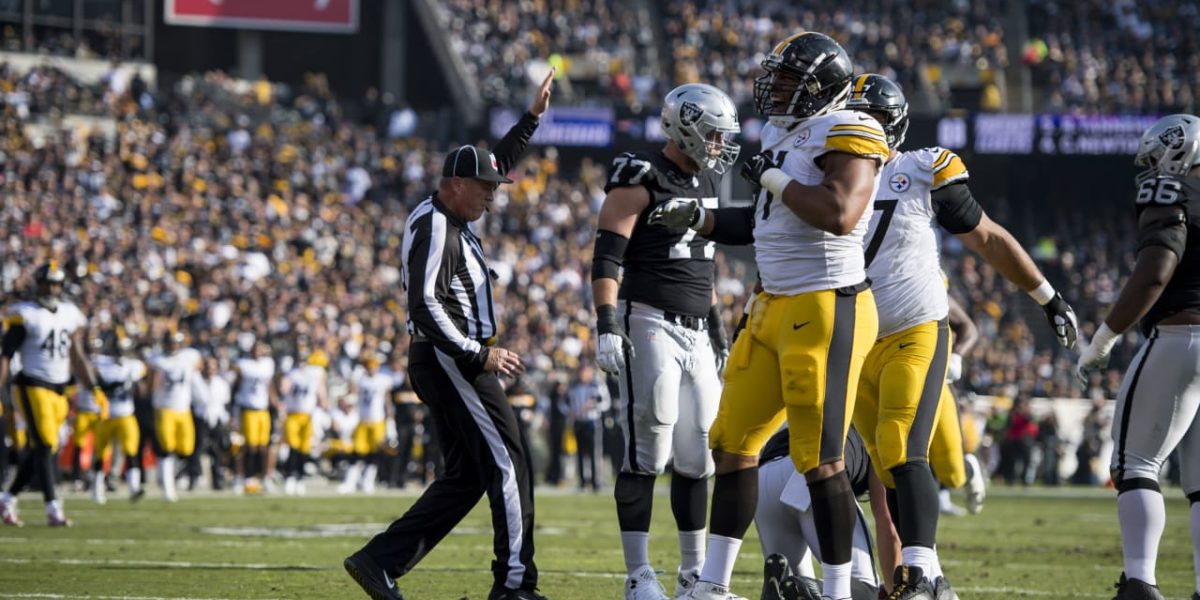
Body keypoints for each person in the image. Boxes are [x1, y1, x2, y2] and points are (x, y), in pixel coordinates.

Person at [653, 33, 886, 600]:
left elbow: (838, 211)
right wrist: (701, 221)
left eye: (788, 80)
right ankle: (712, 584)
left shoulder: (852, 128)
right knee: (732, 441)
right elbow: (765, 222)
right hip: (772, 304)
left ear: (822, 87)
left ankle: (835, 592)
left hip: (828, 302)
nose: (775, 88)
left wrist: (773, 178)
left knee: (820, 460)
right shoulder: (784, 132)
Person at [842, 73, 1077, 598]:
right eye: (856, 118)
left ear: (896, 126)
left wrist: (1047, 297)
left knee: (903, 448)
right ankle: (930, 576)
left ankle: (920, 571)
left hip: (914, 327)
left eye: (874, 119)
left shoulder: (920, 170)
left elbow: (988, 238)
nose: (865, 129)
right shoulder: (820, 174)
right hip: (857, 340)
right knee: (884, 461)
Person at [343, 69, 554, 600]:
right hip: (449, 357)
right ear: (454, 184)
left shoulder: (453, 212)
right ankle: (514, 586)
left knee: (466, 477)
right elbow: (424, 303)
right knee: (510, 462)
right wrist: (475, 353)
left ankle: (379, 561)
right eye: (484, 188)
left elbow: (497, 162)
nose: (492, 196)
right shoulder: (435, 224)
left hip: (448, 358)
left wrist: (529, 119)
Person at [591, 81, 740, 600]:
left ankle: (693, 575)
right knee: (648, 445)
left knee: (699, 452)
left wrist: (719, 330)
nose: (720, 145)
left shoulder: (705, 184)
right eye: (715, 135)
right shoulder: (640, 174)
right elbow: (607, 256)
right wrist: (607, 323)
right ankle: (638, 574)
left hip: (698, 329)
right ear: (687, 127)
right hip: (647, 319)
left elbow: (704, 270)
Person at [1076, 113, 1200, 600]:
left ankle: (1140, 583)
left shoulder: (1170, 192)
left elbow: (1156, 270)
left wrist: (1105, 335)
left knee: (1134, 463)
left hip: (1180, 336)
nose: (1150, 170)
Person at [0, 262, 108, 527]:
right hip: (31, 385)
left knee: (43, 448)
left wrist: (93, 387)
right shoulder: (24, 314)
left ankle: (7, 497)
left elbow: (77, 354)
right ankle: (53, 508)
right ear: (38, 284)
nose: (51, 288)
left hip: (60, 390)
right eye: (47, 283)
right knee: (46, 444)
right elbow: (6, 357)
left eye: (56, 283)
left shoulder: (69, 313)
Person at [756, 425, 893, 600]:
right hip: (815, 473)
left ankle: (794, 586)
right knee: (866, 590)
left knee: (787, 586)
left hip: (765, 476)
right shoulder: (876, 426)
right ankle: (807, 586)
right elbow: (886, 519)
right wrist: (894, 590)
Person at [88, 331, 148, 504]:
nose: (122, 353)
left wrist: (135, 383)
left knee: (131, 451)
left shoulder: (133, 365)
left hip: (126, 414)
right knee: (101, 453)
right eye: (119, 349)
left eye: (124, 350)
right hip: (105, 415)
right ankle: (96, 489)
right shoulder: (101, 364)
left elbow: (142, 389)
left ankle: (134, 488)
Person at [149, 330, 202, 502]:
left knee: (187, 448)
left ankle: (170, 475)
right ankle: (167, 486)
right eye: (171, 342)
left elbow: (200, 364)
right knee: (166, 448)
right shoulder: (158, 360)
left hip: (184, 409)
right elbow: (152, 384)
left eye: (176, 342)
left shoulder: (189, 357)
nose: (173, 346)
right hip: (164, 408)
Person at [340, 356, 394, 494]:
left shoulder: (383, 380)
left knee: (375, 453)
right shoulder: (360, 379)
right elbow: (351, 391)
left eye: (373, 365)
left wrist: (390, 421)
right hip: (363, 420)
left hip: (377, 421)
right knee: (357, 452)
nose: (371, 368)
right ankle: (350, 482)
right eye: (369, 365)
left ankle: (368, 482)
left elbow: (387, 401)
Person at [232, 340, 276, 494]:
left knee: (264, 447)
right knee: (248, 446)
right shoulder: (243, 365)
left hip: (263, 410)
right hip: (248, 409)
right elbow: (236, 386)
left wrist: (276, 402)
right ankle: (242, 477)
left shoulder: (268, 364)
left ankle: (264, 477)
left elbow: (269, 386)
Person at [281, 350, 327, 495]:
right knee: (293, 446)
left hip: (308, 415)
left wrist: (323, 402)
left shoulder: (315, 373)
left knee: (304, 447)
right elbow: (284, 389)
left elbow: (321, 392)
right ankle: (290, 476)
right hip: (293, 414)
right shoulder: (292, 373)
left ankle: (299, 477)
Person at [567, 365, 610, 492]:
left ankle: (596, 481)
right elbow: (564, 403)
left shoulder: (597, 386)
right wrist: (571, 412)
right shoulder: (574, 386)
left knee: (594, 452)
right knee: (579, 453)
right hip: (579, 422)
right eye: (581, 371)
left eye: (586, 371)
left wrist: (593, 405)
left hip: (592, 422)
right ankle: (582, 481)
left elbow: (606, 403)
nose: (583, 374)